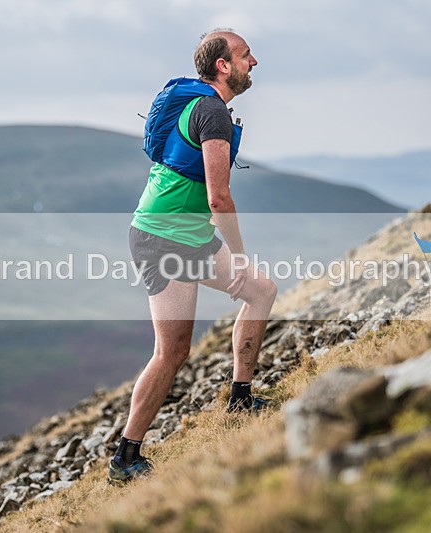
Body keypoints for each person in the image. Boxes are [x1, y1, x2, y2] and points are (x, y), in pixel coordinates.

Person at [108, 29, 277, 484]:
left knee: (262, 292)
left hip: (190, 235)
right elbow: (219, 197)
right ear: (223, 65)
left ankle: (240, 398)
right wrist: (238, 256)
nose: (253, 62)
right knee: (173, 351)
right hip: (162, 239)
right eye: (245, 55)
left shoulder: (202, 105)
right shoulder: (211, 112)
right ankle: (125, 458)